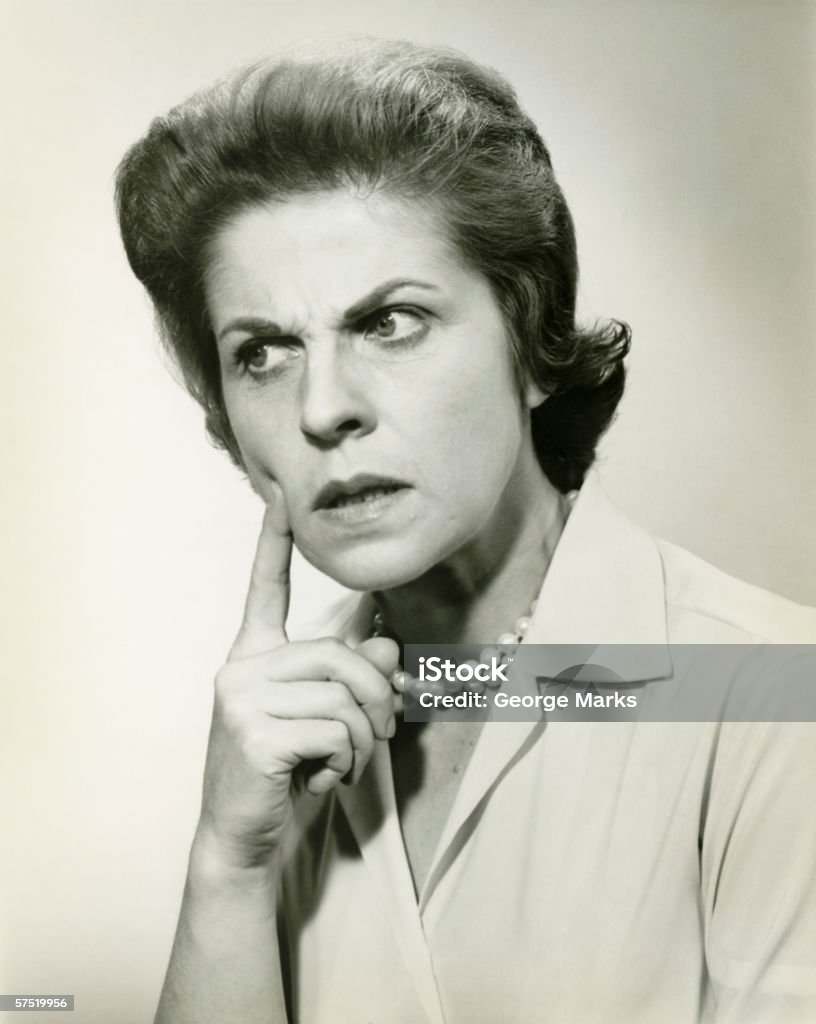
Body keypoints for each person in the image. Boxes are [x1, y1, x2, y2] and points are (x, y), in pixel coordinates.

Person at [115, 39, 816, 1024]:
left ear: (533, 343)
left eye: (391, 322)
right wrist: (227, 866)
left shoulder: (774, 695)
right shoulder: (278, 742)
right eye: (264, 351)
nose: (323, 409)